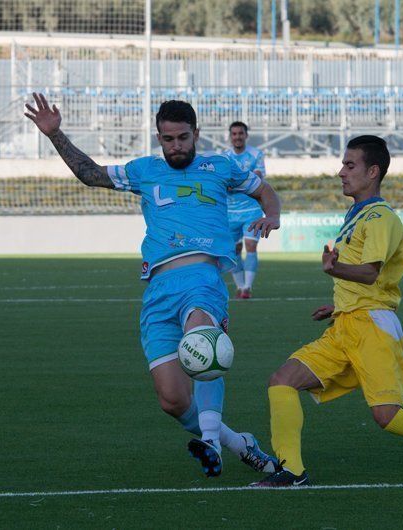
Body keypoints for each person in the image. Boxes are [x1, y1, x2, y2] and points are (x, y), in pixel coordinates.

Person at [25, 93, 281, 478]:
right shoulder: (144, 170)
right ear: (158, 137)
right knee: (174, 401)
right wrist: (55, 134)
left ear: (196, 133)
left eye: (181, 138)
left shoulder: (220, 167)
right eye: (167, 139)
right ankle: (240, 444)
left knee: (204, 344)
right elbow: (91, 173)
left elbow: (264, 190)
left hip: (202, 279)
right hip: (158, 291)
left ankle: (210, 441)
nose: (175, 146)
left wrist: (271, 216)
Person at [251, 135, 403, 487]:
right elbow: (361, 277)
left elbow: (370, 273)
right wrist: (338, 305)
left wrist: (334, 270)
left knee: (387, 416)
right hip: (346, 325)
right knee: (282, 381)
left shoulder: (381, 218)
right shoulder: (356, 216)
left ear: (373, 171)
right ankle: (291, 471)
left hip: (373, 328)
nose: (340, 172)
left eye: (349, 165)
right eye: (342, 164)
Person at [224, 122, 266, 299]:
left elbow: (258, 177)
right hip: (229, 212)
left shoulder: (256, 154)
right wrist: (241, 181)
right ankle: (240, 286)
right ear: (230, 136)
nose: (237, 137)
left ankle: (247, 287)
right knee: (234, 250)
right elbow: (223, 181)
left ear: (246, 135)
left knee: (250, 246)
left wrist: (234, 183)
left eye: (240, 133)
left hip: (251, 210)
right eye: (234, 134)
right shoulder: (224, 157)